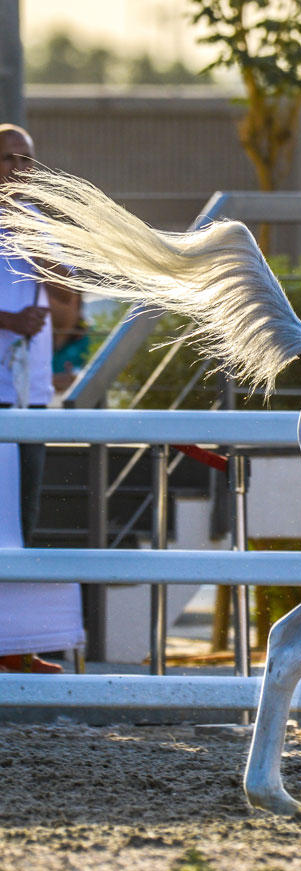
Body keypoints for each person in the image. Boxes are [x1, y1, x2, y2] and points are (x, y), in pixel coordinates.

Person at [0, 123, 64, 674]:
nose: (18, 171)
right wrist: (8, 319)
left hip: (30, 395)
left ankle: (15, 646)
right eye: (8, 160)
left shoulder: (35, 221)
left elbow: (65, 283)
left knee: (24, 520)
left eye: (27, 161)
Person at [49, 286, 90, 393]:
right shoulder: (28, 337)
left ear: (77, 301)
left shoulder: (92, 337)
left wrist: (78, 380)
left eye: (63, 297)